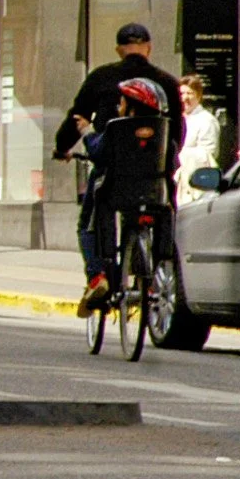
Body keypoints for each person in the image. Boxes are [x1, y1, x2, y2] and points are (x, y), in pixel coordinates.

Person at [54, 21, 184, 314]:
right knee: (156, 210)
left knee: (89, 221)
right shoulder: (167, 82)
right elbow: (178, 132)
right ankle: (151, 270)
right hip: (155, 176)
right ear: (148, 48)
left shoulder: (103, 78)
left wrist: (62, 147)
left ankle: (98, 275)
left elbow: (77, 118)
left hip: (112, 172)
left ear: (118, 49)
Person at [175, 76, 221, 206]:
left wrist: (181, 153)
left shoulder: (206, 120)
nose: (185, 98)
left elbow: (208, 154)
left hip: (196, 185)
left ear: (199, 95)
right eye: (182, 93)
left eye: (189, 93)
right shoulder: (179, 119)